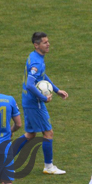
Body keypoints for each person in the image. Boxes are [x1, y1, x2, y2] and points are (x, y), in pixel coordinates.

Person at [18, 32, 69, 175]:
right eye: (45, 42)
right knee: (48, 133)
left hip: (28, 100)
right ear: (36, 45)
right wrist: (43, 98)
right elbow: (30, 84)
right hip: (35, 103)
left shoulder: (34, 56)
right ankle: (48, 166)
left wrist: (56, 90)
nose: (48, 44)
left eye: (48, 41)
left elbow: (42, 76)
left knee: (30, 134)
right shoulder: (36, 63)